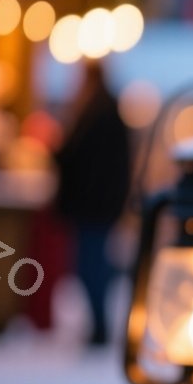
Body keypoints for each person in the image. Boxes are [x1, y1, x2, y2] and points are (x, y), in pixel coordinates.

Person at [54, 63, 132, 346]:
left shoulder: (98, 113)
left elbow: (84, 162)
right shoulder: (103, 110)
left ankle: (99, 326)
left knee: (91, 266)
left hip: (93, 207)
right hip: (96, 206)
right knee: (92, 265)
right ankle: (98, 324)